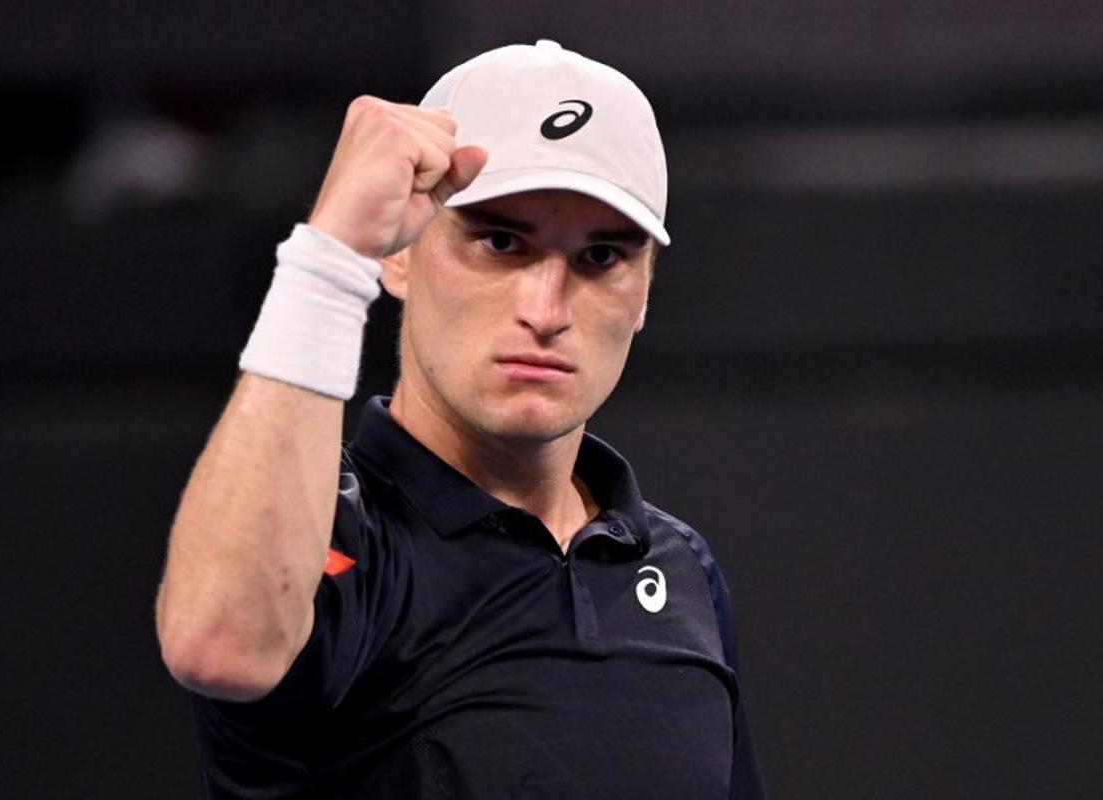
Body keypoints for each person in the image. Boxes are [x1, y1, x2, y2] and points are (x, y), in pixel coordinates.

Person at [155, 40, 766, 799]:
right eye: (501, 242)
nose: (545, 313)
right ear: (401, 255)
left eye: (601, 257)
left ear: (643, 294)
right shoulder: (342, 542)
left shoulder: (681, 573)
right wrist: (328, 259)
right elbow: (220, 647)